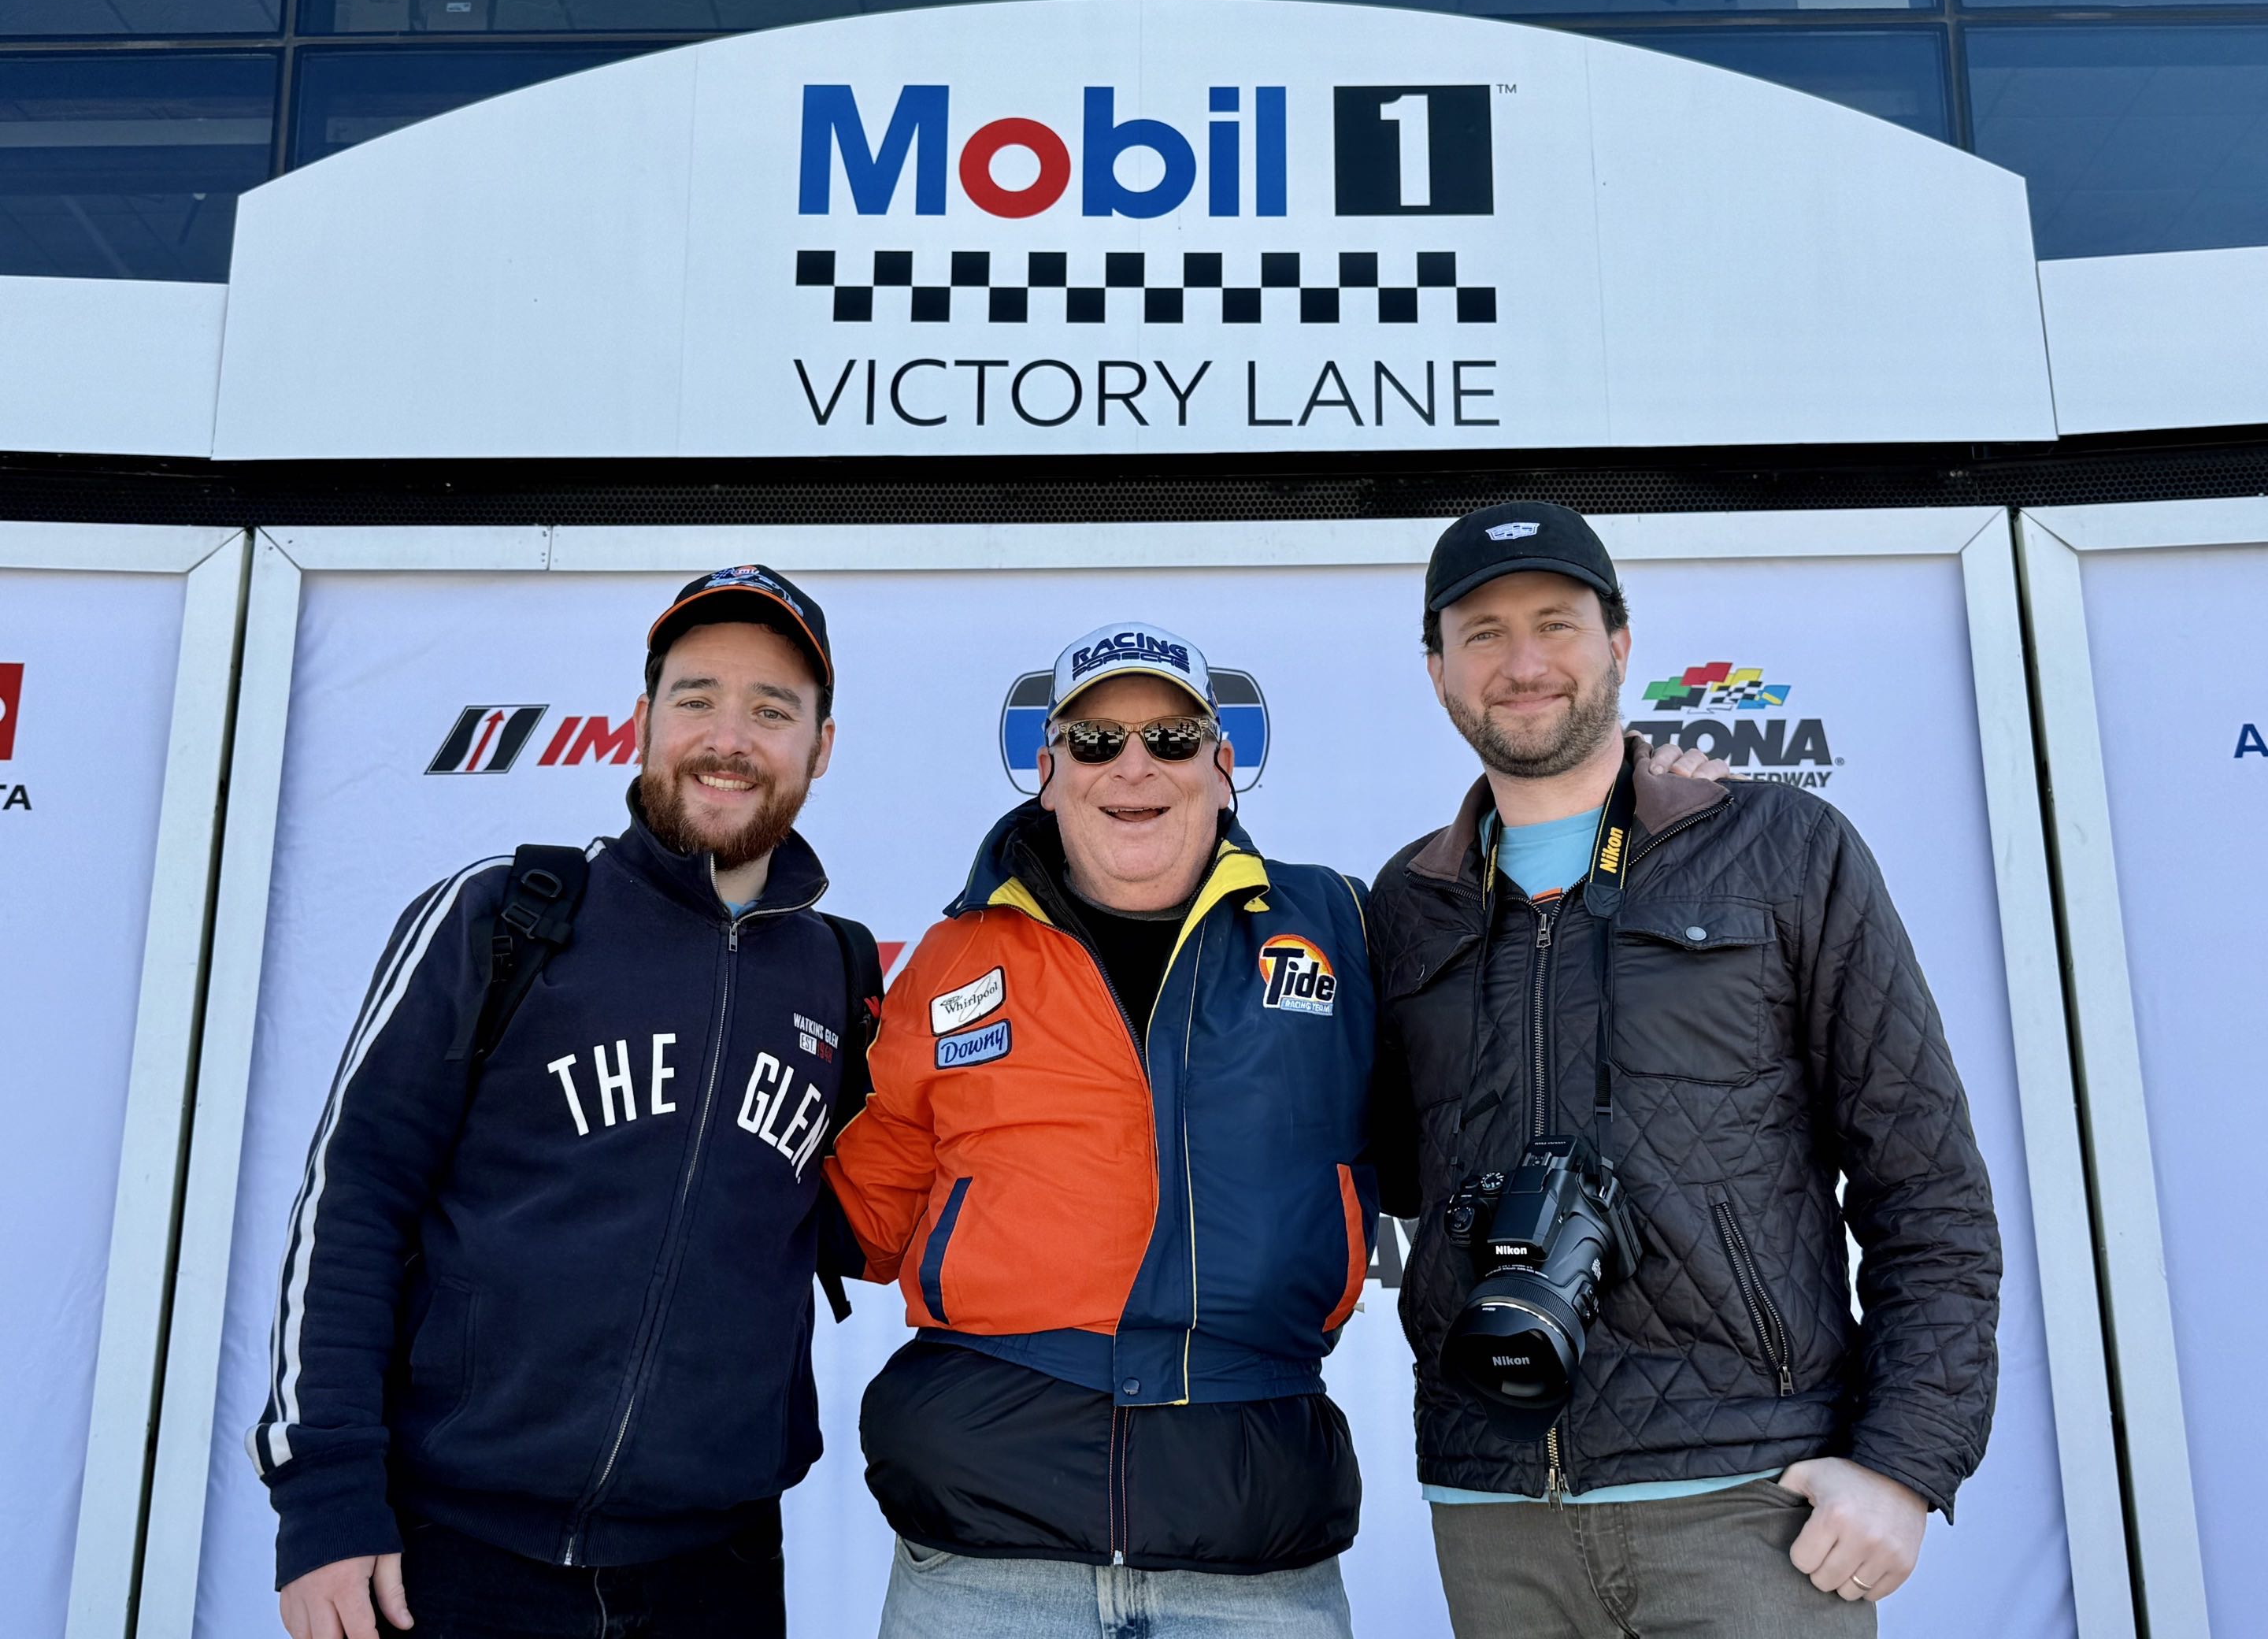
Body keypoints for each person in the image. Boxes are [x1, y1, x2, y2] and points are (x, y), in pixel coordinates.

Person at [1368, 502, 2002, 1638]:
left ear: (1618, 644)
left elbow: (1929, 1189)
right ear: (1436, 672)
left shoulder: (1781, 850)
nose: (1523, 665)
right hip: (1494, 1513)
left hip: (1751, 1508)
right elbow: (1380, 1181)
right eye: (1483, 634)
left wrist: (1904, 1464)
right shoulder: (1406, 907)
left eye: (1556, 625)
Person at [253, 564, 883, 1639]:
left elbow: (875, 1217)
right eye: (696, 699)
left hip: (714, 1570)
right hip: (448, 1556)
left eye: (772, 710)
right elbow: (352, 1207)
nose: (729, 737)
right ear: (640, 722)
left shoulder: (840, 975)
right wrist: (325, 1498)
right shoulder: (505, 917)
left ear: (820, 748)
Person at [821, 621, 1377, 1638]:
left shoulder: (1336, 926)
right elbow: (856, 1213)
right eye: (1095, 741)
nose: (1134, 766)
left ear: (1222, 769)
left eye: (1171, 739)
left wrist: (1644, 816)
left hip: (1253, 1566)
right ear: (1046, 772)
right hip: (982, 1565)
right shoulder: (949, 958)